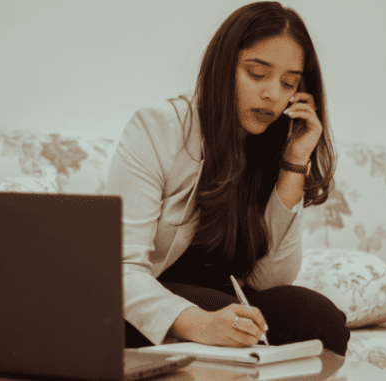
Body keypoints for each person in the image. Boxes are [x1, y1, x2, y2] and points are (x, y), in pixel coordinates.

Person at [105, 1, 350, 356]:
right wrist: (199, 323)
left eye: (288, 83)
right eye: (256, 73)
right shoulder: (158, 128)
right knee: (221, 309)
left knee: (318, 317)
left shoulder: (274, 144)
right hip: (146, 302)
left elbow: (270, 281)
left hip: (223, 302)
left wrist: (294, 164)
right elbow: (121, 269)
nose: (273, 94)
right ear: (223, 66)